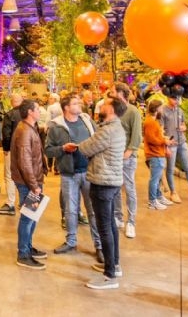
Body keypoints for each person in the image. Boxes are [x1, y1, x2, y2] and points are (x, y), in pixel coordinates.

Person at [63, 96, 127, 290]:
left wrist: (77, 146)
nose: (101, 106)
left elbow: (87, 147)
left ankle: (109, 276)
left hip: (103, 182)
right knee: (110, 226)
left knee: (104, 228)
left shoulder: (107, 130)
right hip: (111, 181)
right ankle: (114, 264)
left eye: (105, 104)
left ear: (112, 110)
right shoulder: (115, 127)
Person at [45, 94, 102, 262]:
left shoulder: (87, 121)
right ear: (66, 108)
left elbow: (99, 139)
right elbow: (48, 150)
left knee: (93, 210)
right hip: (69, 174)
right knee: (70, 210)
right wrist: (63, 148)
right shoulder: (56, 127)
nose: (80, 104)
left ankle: (99, 245)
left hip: (90, 172)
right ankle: (71, 241)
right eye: (75, 103)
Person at [11, 99, 48, 270]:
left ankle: (28, 246)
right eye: (37, 109)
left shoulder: (30, 127)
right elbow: (25, 162)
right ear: (30, 112)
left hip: (33, 180)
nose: (40, 111)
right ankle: (23, 254)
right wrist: (34, 185)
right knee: (27, 218)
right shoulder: (25, 131)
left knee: (32, 217)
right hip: (28, 182)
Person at [110, 82, 141, 239]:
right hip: (114, 156)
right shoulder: (113, 109)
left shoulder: (133, 111)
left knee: (129, 189)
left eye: (113, 91)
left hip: (126, 157)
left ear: (121, 93)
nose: (110, 93)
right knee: (115, 188)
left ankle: (131, 222)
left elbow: (136, 136)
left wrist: (128, 153)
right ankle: (118, 217)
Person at [143, 99, 173, 211]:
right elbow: (152, 140)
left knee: (158, 179)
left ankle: (158, 197)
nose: (162, 110)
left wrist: (163, 139)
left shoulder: (152, 121)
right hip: (154, 154)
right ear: (156, 109)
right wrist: (164, 141)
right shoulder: (150, 122)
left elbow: (155, 137)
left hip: (157, 153)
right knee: (154, 180)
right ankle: (152, 201)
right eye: (161, 108)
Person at [0, 93, 23, 215]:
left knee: (10, 175)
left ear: (12, 102)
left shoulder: (10, 115)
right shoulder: (28, 113)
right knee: (24, 175)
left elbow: (6, 134)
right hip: (26, 151)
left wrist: (6, 149)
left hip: (12, 150)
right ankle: (23, 202)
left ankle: (10, 203)